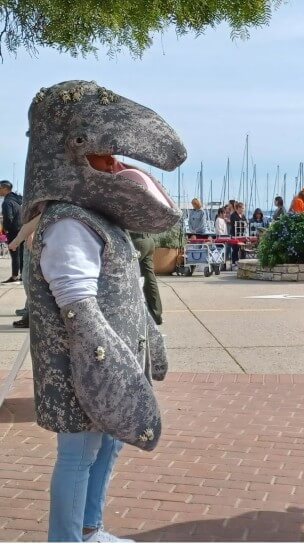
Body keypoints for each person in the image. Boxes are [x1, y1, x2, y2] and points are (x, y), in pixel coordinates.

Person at [22, 80, 179, 542]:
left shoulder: (98, 219)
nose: (115, 165)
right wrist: (108, 368)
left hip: (114, 364)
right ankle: (67, 539)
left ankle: (91, 530)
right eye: (102, 157)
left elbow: (127, 290)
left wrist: (149, 336)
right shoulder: (68, 222)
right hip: (81, 371)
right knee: (78, 453)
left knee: (107, 445)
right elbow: (77, 306)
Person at [0, 180, 24, 283]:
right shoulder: (17, 202)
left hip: (13, 231)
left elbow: (8, 218)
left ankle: (14, 276)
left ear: (5, 189)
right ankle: (23, 275)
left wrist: (6, 229)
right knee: (21, 254)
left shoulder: (7, 202)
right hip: (21, 230)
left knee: (15, 255)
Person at [230, 201, 247, 267]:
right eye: (242, 208)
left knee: (243, 248)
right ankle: (234, 262)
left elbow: (245, 222)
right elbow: (234, 223)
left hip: (242, 234)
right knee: (235, 249)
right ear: (238, 208)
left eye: (243, 208)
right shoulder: (233, 215)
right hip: (235, 234)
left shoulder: (243, 216)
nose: (243, 210)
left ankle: (243, 260)